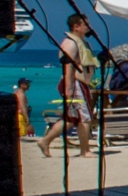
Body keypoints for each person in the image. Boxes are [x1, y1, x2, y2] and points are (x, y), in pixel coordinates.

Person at [38, 13, 97, 159]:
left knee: (71, 119)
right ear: (76, 26)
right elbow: (68, 67)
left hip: (81, 83)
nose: (89, 27)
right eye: (85, 24)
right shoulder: (70, 43)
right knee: (84, 117)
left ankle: (45, 141)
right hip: (75, 83)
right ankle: (85, 150)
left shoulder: (80, 41)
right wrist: (69, 88)